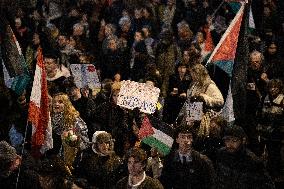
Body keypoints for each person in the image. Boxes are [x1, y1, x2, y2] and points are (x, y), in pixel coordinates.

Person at [160, 124, 216, 189]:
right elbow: (165, 182)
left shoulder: (202, 160)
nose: (186, 140)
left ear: (192, 140)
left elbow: (210, 184)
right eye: (182, 137)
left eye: (189, 137)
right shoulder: (170, 159)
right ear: (177, 140)